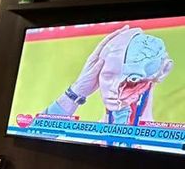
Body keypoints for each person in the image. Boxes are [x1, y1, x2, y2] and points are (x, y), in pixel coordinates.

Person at [42, 25, 173, 125]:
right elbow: (37, 135)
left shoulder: (171, 145)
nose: (115, 89)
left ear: (164, 71)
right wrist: (76, 92)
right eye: (108, 76)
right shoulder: (85, 139)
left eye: (133, 79)